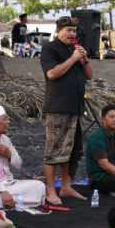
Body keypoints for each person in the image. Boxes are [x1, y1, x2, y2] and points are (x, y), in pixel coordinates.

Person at [41, 16, 93, 205]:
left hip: (77, 107)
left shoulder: (76, 50)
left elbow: (89, 76)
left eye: (74, 31)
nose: (72, 34)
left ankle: (66, 186)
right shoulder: (50, 48)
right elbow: (52, 73)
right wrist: (73, 58)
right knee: (54, 150)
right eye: (68, 30)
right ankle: (50, 189)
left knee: (73, 150)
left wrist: (84, 59)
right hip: (58, 107)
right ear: (58, 31)